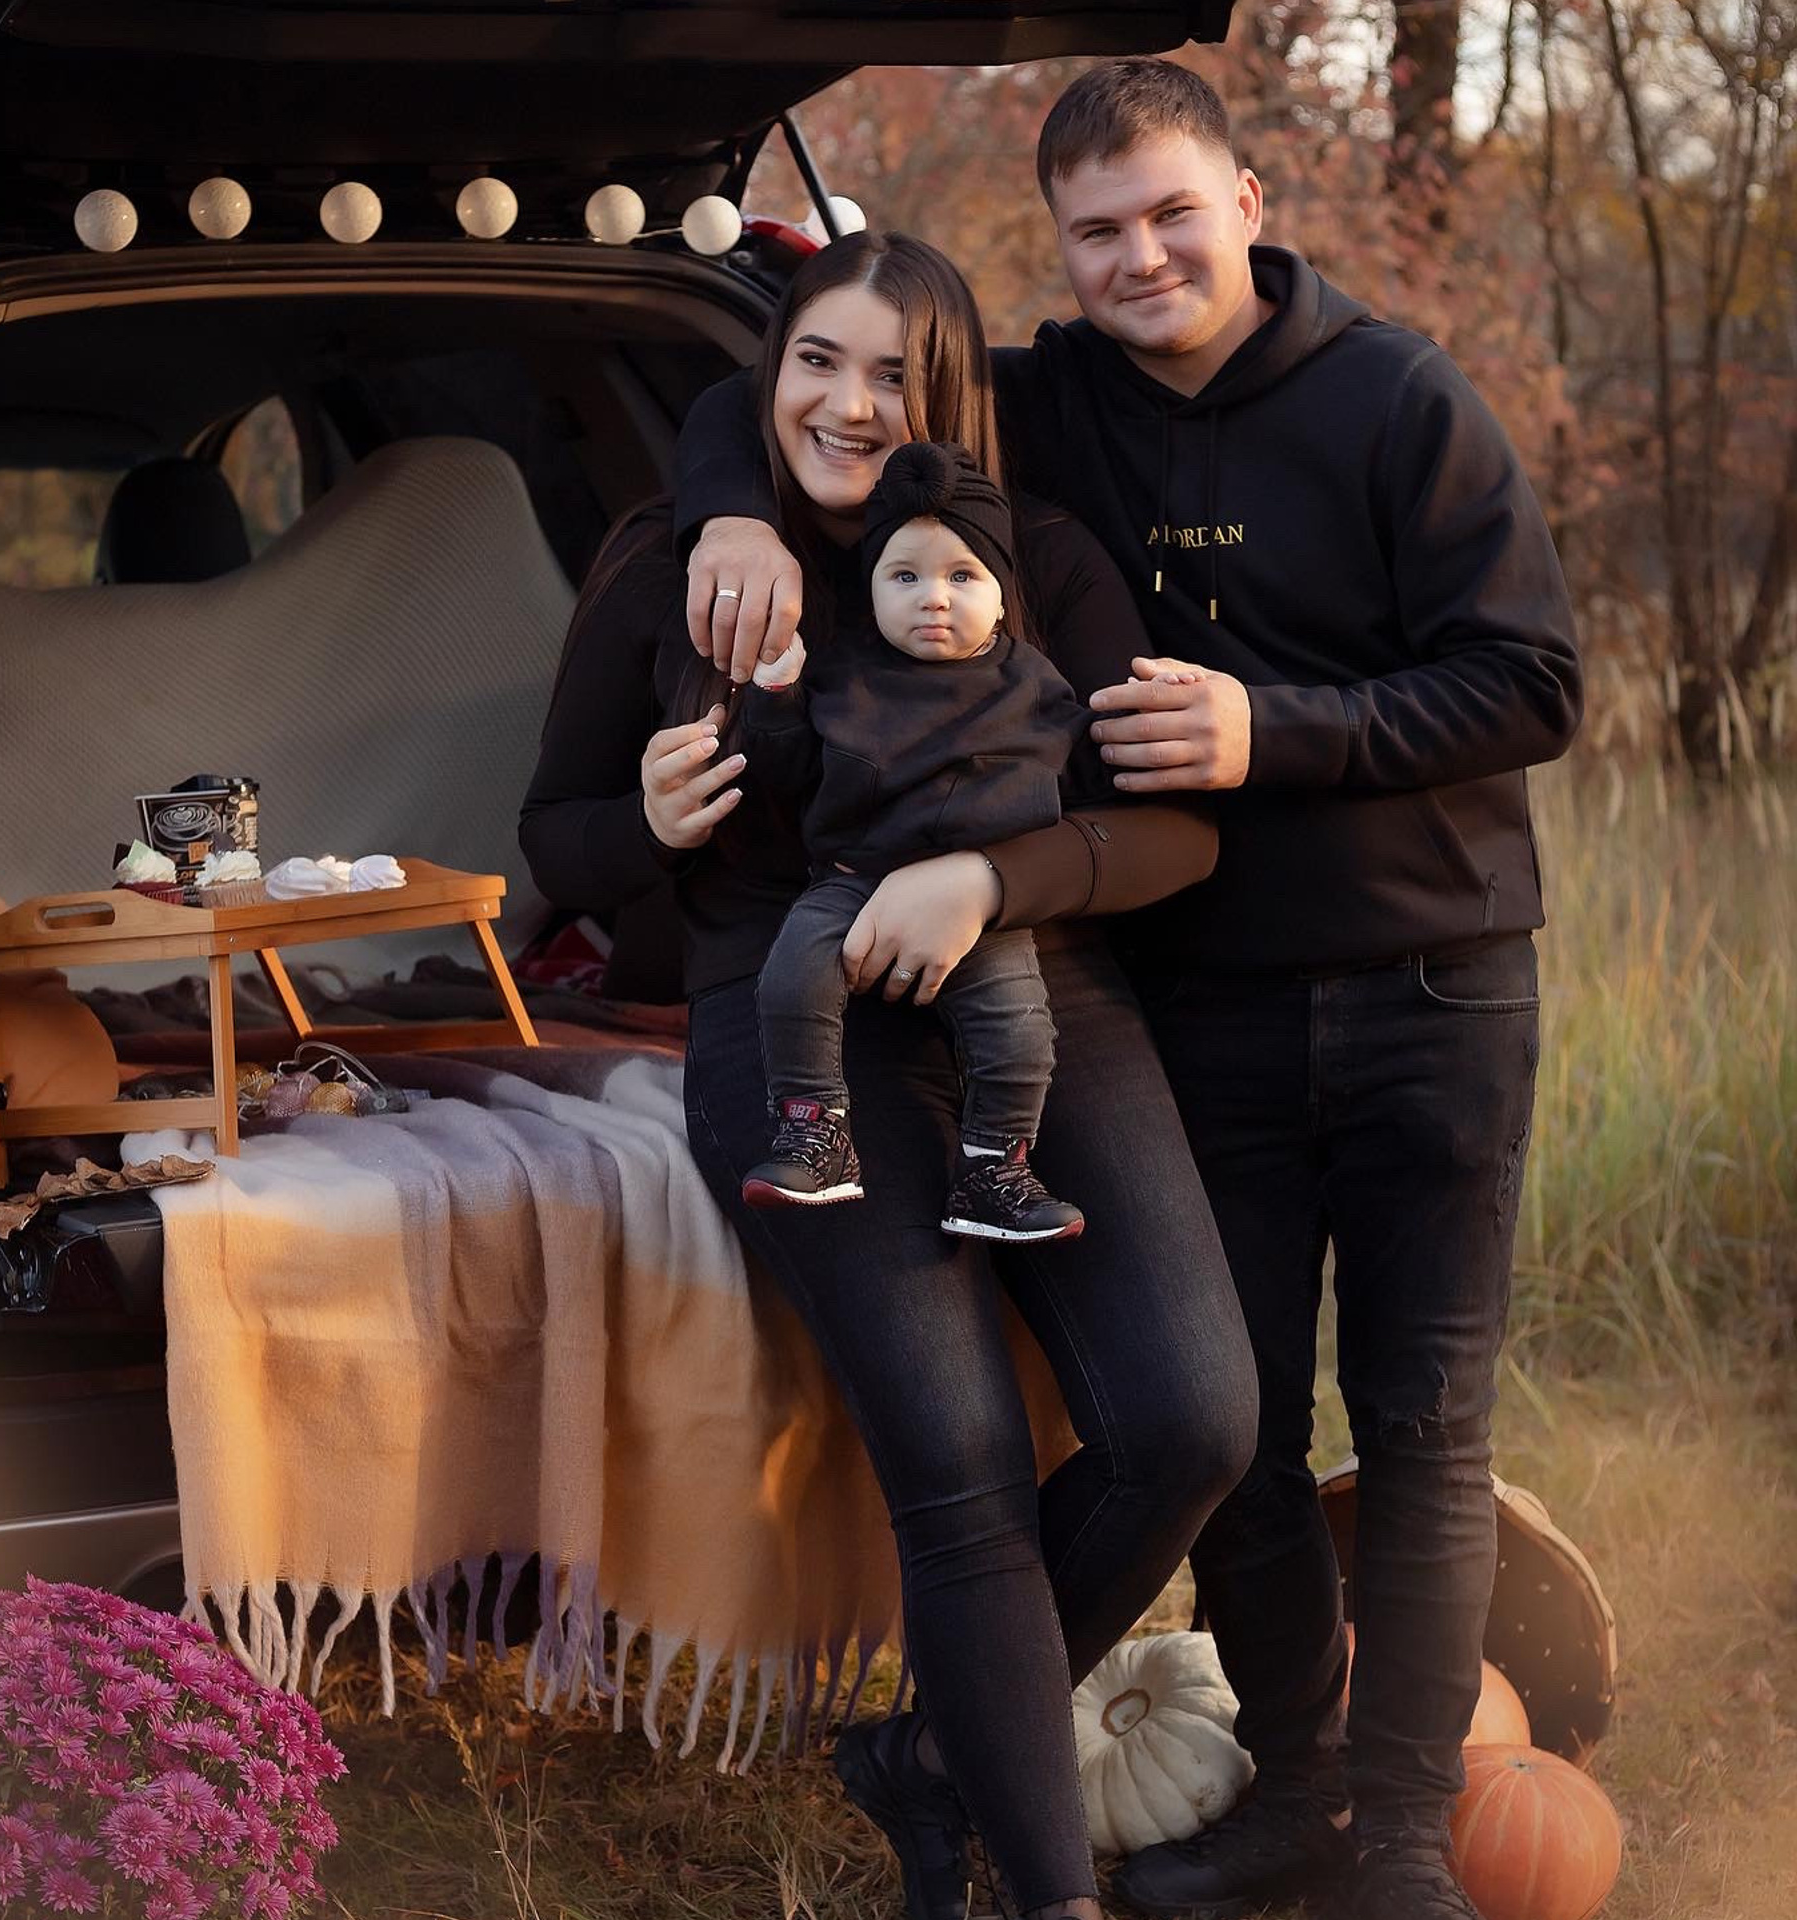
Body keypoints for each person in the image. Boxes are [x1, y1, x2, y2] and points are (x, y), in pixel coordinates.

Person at [672, 60, 1584, 1920]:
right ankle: (1292, 1787)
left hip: (1433, 981)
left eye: (1174, 212)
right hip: (1205, 1000)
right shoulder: (1043, 409)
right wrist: (725, 513)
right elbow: (797, 399)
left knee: (1422, 1426)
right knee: (1230, 1428)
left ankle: (1403, 1838)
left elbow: (1535, 683)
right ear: (1061, 249)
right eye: (1098, 232)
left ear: (1247, 197)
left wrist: (1278, 730)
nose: (1142, 255)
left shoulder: (1398, 397)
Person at [520, 228, 1258, 1920]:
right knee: (964, 1471)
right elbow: (549, 832)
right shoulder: (684, 572)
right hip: (797, 1034)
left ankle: (935, 1754)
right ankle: (1041, 1893)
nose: (849, 407)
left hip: (1039, 996)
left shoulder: (1040, 562)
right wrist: (640, 828)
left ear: (951, 403)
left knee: (1196, 1419)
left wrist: (996, 877)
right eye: (815, 363)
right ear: (768, 376)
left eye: (894, 376)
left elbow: (1171, 832)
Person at [741, 439, 1093, 1243]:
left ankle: (993, 1169)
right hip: (851, 876)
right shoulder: (843, 676)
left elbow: (1088, 776)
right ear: (870, 593)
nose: (933, 598)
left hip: (987, 906)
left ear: (1004, 595)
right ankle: (814, 1132)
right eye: (905, 577)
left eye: (962, 576)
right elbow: (786, 775)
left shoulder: (1036, 683)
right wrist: (775, 692)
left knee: (1020, 1030)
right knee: (791, 977)